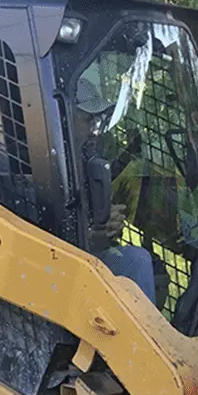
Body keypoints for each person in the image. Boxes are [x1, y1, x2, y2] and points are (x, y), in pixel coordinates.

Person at [74, 77, 158, 303]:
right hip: (61, 266)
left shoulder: (86, 160)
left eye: (96, 120)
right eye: (88, 119)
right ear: (65, 117)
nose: (93, 129)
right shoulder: (48, 166)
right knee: (137, 260)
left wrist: (106, 226)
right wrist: (92, 231)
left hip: (88, 258)